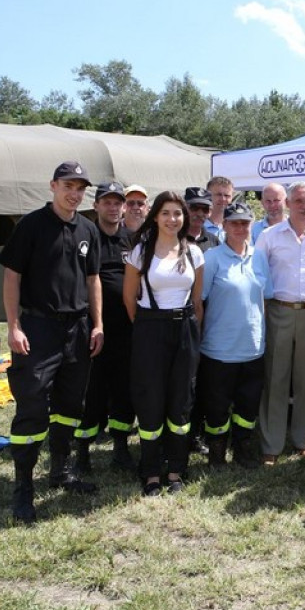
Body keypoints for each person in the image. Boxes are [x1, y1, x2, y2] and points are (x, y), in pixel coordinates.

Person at [0, 160, 103, 523]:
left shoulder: (88, 229)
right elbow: (11, 277)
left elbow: (93, 280)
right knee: (32, 406)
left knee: (70, 404)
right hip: (38, 329)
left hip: (77, 330)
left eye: (80, 188)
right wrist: (14, 326)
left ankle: (61, 471)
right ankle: (23, 488)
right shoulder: (31, 225)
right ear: (53, 186)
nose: (74, 194)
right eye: (68, 186)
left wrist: (98, 324)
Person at [123, 191, 205, 496]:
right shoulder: (140, 252)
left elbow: (197, 302)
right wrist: (148, 328)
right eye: (166, 213)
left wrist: (191, 333)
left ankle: (176, 469)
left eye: (178, 213)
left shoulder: (194, 252)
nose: (173, 219)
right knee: (151, 399)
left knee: (181, 400)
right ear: (155, 216)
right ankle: (151, 472)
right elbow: (129, 298)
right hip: (150, 328)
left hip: (184, 328)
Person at [255, 181, 305, 464]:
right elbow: (258, 277)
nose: (304, 206)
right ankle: (271, 444)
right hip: (279, 311)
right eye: (298, 200)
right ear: (288, 203)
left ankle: (303, 440)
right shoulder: (269, 236)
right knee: (275, 378)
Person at [198, 202, 272, 469]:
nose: (240, 228)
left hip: (252, 347)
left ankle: (242, 447)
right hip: (219, 348)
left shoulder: (259, 257)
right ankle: (217, 452)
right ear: (224, 226)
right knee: (217, 405)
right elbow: (199, 301)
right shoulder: (212, 258)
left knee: (247, 405)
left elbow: (266, 297)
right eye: (234, 223)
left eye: (245, 223)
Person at [74, 181, 137, 474]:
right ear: (96, 205)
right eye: (107, 202)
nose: (113, 208)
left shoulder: (132, 239)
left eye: (117, 203)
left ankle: (121, 448)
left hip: (126, 329)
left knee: (124, 389)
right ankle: (82, 453)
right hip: (93, 329)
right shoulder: (85, 236)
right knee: (92, 391)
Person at [183, 186, 220, 457]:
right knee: (183, 382)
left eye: (204, 209)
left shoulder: (214, 242)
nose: (198, 213)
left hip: (208, 321)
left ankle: (196, 434)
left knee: (204, 381)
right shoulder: (172, 238)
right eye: (193, 207)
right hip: (180, 320)